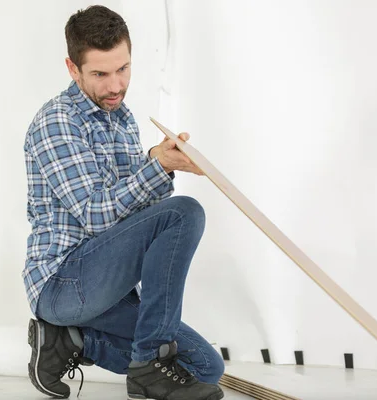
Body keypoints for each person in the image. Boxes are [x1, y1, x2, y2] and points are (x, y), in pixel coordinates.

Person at [23, 5, 225, 400]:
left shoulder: (123, 118)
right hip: (63, 284)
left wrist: (159, 159)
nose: (115, 85)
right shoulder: (57, 122)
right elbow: (99, 219)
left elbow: (139, 215)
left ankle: (72, 342)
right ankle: (148, 365)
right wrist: (155, 166)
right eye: (100, 74)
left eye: (123, 69)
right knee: (185, 213)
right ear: (72, 68)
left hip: (107, 288)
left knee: (205, 368)